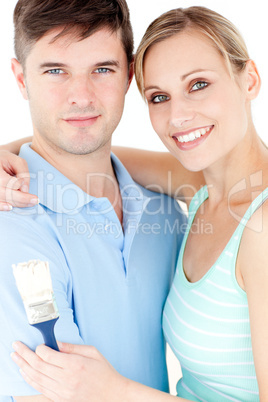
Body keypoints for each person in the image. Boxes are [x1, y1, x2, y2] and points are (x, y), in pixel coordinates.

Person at [1, 4, 266, 402]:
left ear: (250, 80)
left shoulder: (226, 215)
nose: (179, 116)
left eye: (198, 84)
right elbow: (85, 150)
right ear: (21, 79)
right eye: (159, 96)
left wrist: (114, 392)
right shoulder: (197, 190)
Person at [0, 1, 187, 400]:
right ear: (20, 78)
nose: (81, 96)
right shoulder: (11, 223)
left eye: (102, 69)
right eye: (55, 71)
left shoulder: (166, 210)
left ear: (129, 76)